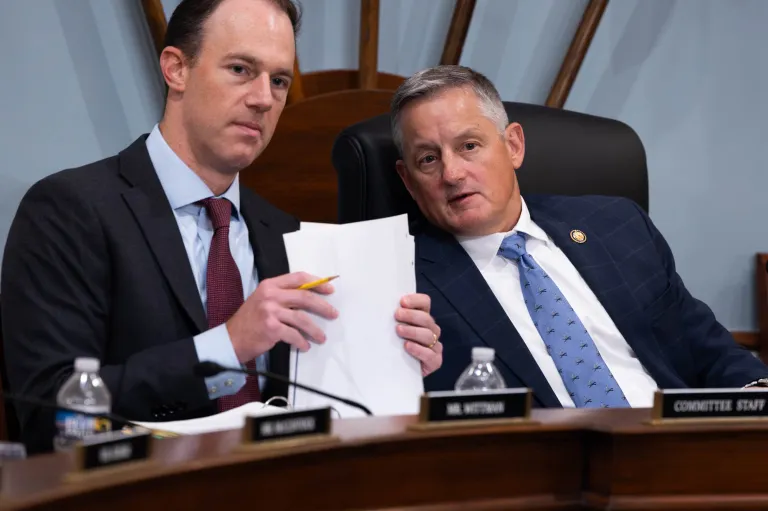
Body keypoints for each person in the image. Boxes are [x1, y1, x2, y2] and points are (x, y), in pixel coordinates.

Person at [1, 0, 442, 454]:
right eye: (240, 69)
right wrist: (226, 348)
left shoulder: (286, 232)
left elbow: (318, 400)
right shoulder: (70, 209)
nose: (263, 98)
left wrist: (396, 364)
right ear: (176, 69)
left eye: (279, 80)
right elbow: (51, 412)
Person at [390, 64, 768, 409]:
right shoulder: (400, 283)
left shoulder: (618, 225)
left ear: (513, 146)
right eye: (428, 159)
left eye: (469, 146)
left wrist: (756, 398)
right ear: (407, 180)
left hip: (679, 450)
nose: (452, 173)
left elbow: (708, 350)